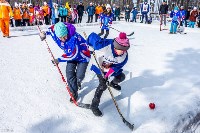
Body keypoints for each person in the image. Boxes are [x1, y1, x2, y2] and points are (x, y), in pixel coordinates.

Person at [39, 22, 91, 102]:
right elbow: (50, 29)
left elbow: (73, 54)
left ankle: (78, 82)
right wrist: (44, 33)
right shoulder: (55, 31)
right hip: (70, 55)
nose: (64, 39)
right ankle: (74, 92)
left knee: (79, 76)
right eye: (61, 37)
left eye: (65, 35)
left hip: (82, 56)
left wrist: (59, 60)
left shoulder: (73, 38)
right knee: (69, 74)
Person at [86, 32, 130, 116]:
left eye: (125, 50)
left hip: (109, 68)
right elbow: (92, 36)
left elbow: (115, 67)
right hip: (99, 66)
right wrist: (90, 47)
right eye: (121, 50)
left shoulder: (124, 57)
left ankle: (112, 84)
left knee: (121, 76)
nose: (123, 52)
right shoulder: (104, 45)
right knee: (103, 85)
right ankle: (94, 105)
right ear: (116, 46)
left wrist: (107, 75)